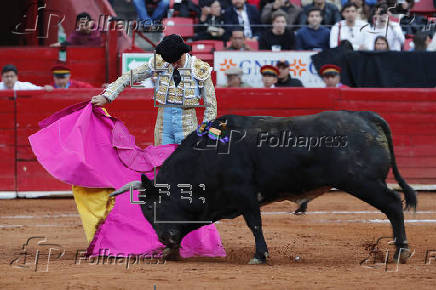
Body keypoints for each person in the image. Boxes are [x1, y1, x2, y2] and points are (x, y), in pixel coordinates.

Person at [91, 34, 217, 146]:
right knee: (160, 161)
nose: (173, 65)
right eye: (170, 61)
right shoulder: (161, 62)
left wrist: (205, 131)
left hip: (188, 122)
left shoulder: (200, 68)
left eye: (176, 61)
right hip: (164, 123)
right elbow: (130, 76)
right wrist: (107, 96)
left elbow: (211, 104)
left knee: (186, 166)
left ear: (183, 53)